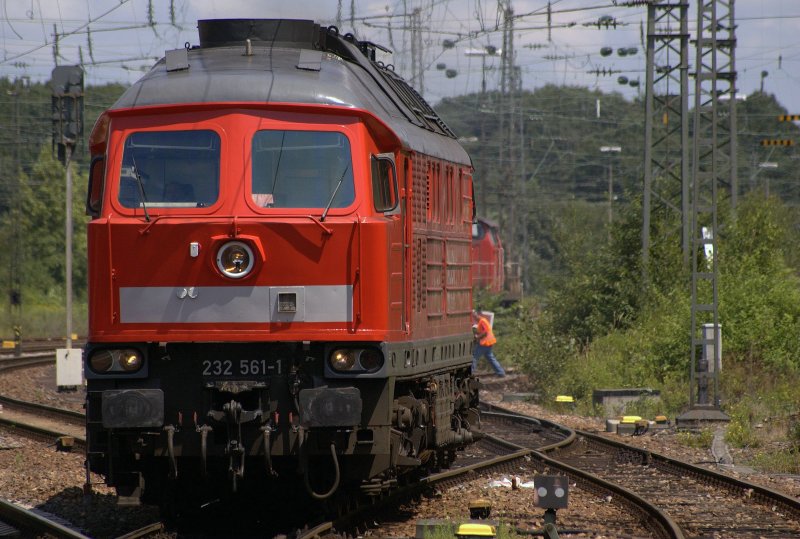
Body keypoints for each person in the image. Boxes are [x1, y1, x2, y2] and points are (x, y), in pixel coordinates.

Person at [471, 309, 505, 376]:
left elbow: (485, 332)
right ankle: (501, 372)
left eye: (474, 315)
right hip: (488, 343)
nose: (473, 317)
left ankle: (470, 373)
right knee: (490, 358)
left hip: (485, 343)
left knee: (474, 357)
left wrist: (477, 337)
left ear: (478, 314)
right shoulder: (481, 322)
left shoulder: (482, 321)